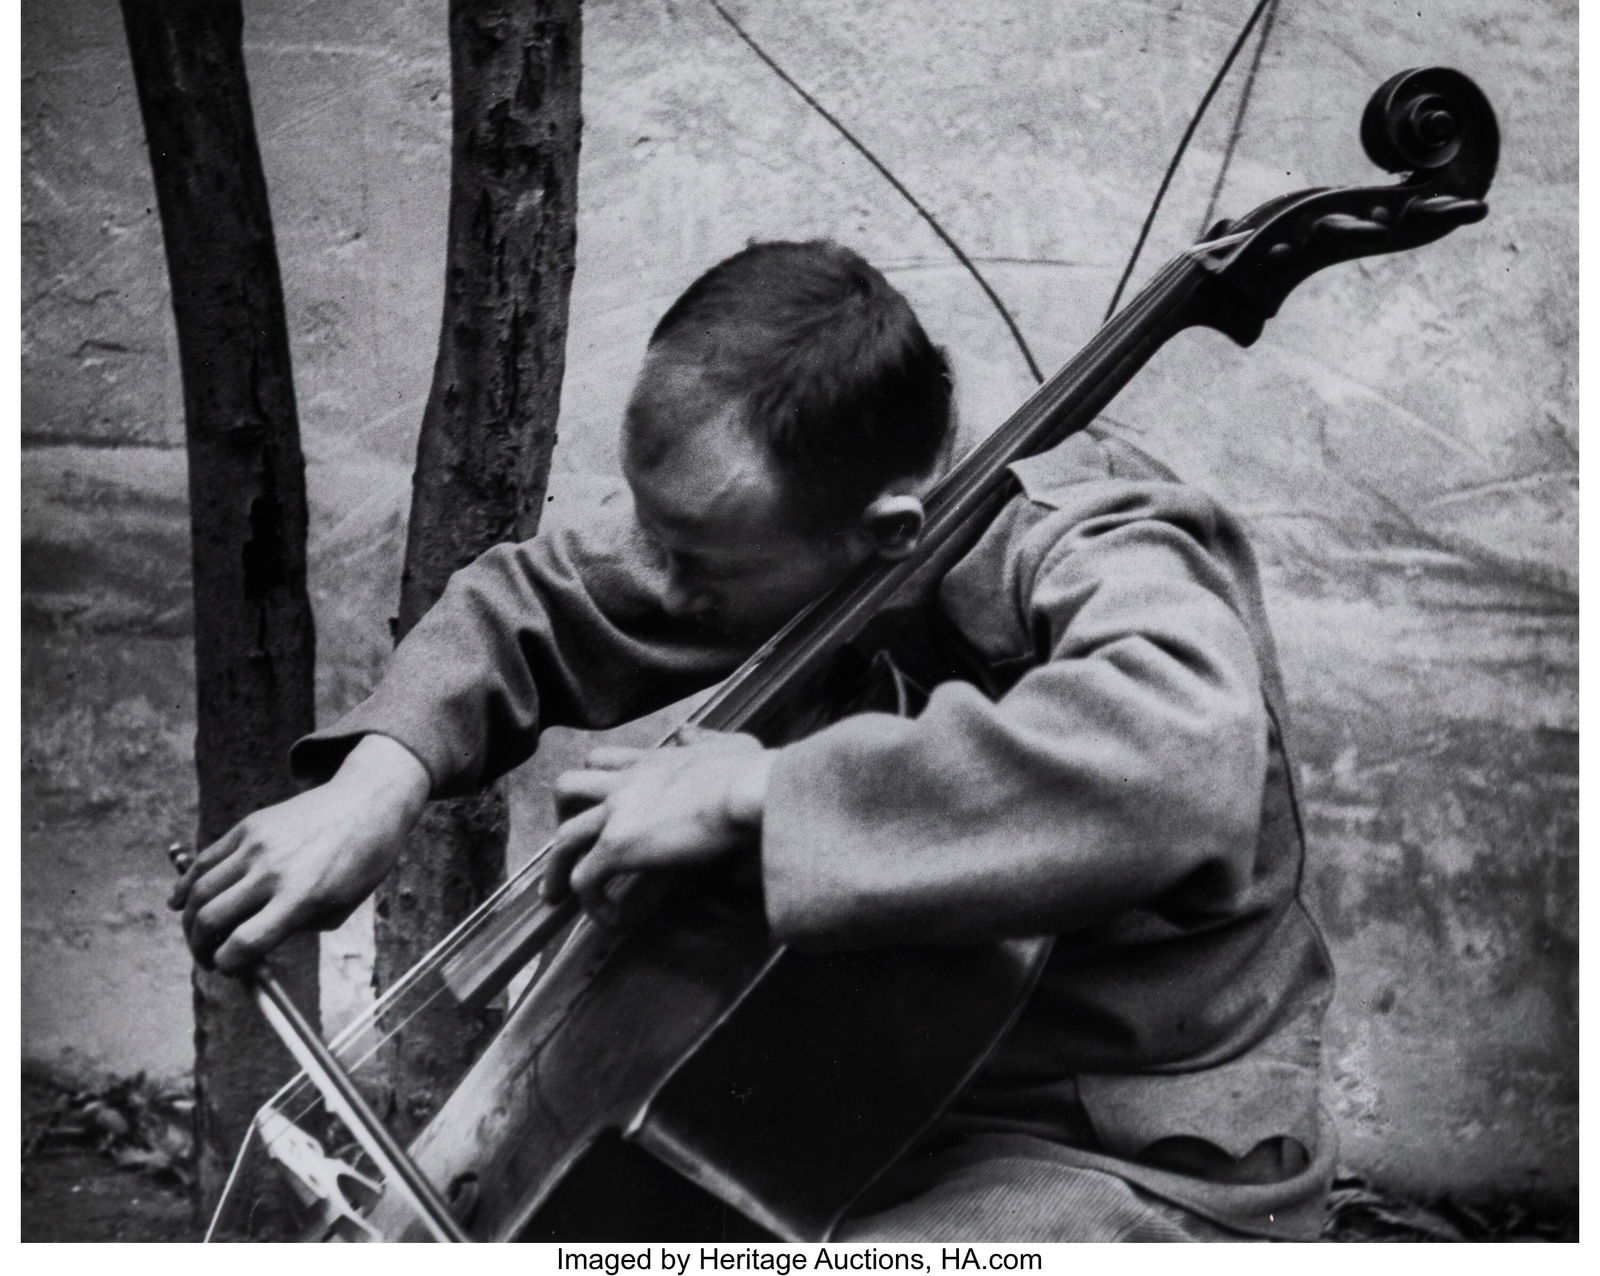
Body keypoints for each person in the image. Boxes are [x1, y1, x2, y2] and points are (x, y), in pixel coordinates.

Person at [169, 239, 1336, 1242]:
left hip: (1121, 1157)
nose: (656, 577)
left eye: (693, 560)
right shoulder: (791, 533)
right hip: (864, 1109)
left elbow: (1179, 753)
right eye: (652, 530)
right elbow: (537, 601)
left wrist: (755, 794)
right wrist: (379, 779)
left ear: (887, 532)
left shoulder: (1105, 537)